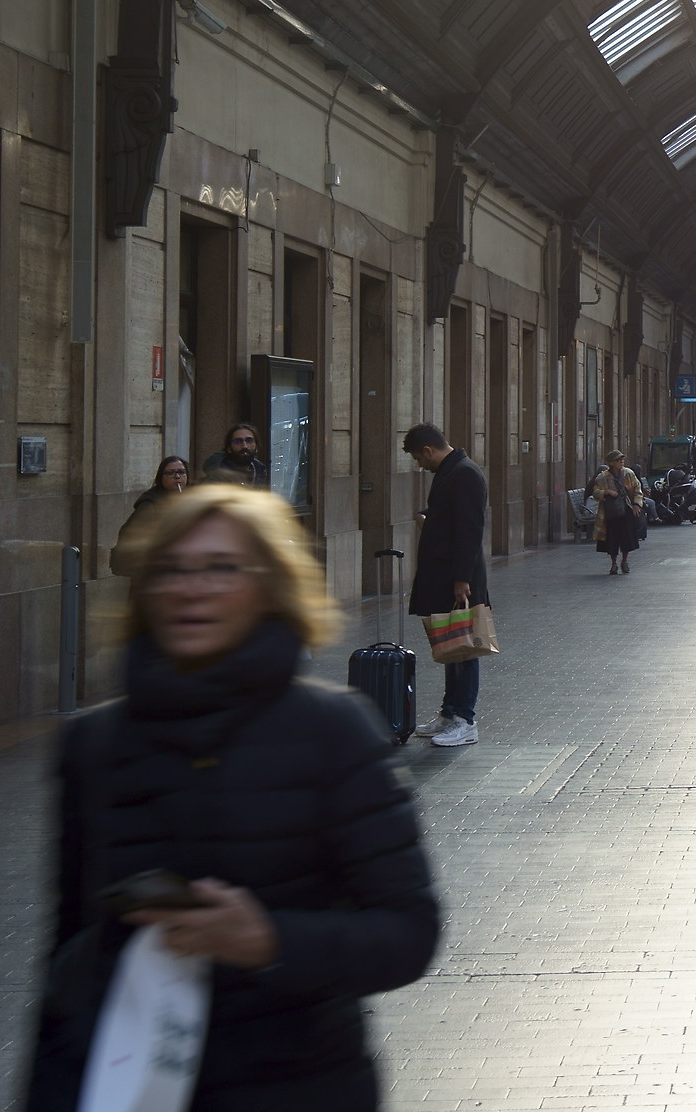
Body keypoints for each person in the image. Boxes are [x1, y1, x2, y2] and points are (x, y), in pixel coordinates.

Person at [26, 484, 439, 1112]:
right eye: (173, 570)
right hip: (133, 1085)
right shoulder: (94, 745)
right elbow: (65, 960)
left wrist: (268, 941)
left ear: (269, 586)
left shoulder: (334, 730)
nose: (192, 589)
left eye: (222, 568)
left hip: (300, 1086)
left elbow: (409, 932)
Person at [403, 424, 489, 748]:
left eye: (417, 458)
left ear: (428, 450)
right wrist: (430, 517)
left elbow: (470, 530)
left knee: (464, 648)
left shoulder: (465, 474)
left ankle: (465, 719)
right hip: (447, 576)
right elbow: (449, 516)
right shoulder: (451, 471)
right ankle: (450, 712)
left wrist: (461, 580)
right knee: (450, 647)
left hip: (458, 579)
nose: (419, 464)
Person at [594, 450, 644, 575]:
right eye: (618, 460)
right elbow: (595, 492)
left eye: (622, 459)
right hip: (610, 513)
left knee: (626, 538)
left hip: (626, 510)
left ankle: (625, 561)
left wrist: (637, 504)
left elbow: (637, 488)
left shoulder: (628, 474)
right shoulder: (602, 477)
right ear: (611, 463)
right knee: (612, 540)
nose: (621, 461)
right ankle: (613, 563)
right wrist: (606, 492)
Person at [200, 422, 270, 487]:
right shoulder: (216, 477)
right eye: (238, 441)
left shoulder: (259, 471)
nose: (244, 446)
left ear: (256, 446)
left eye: (249, 441)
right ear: (229, 448)